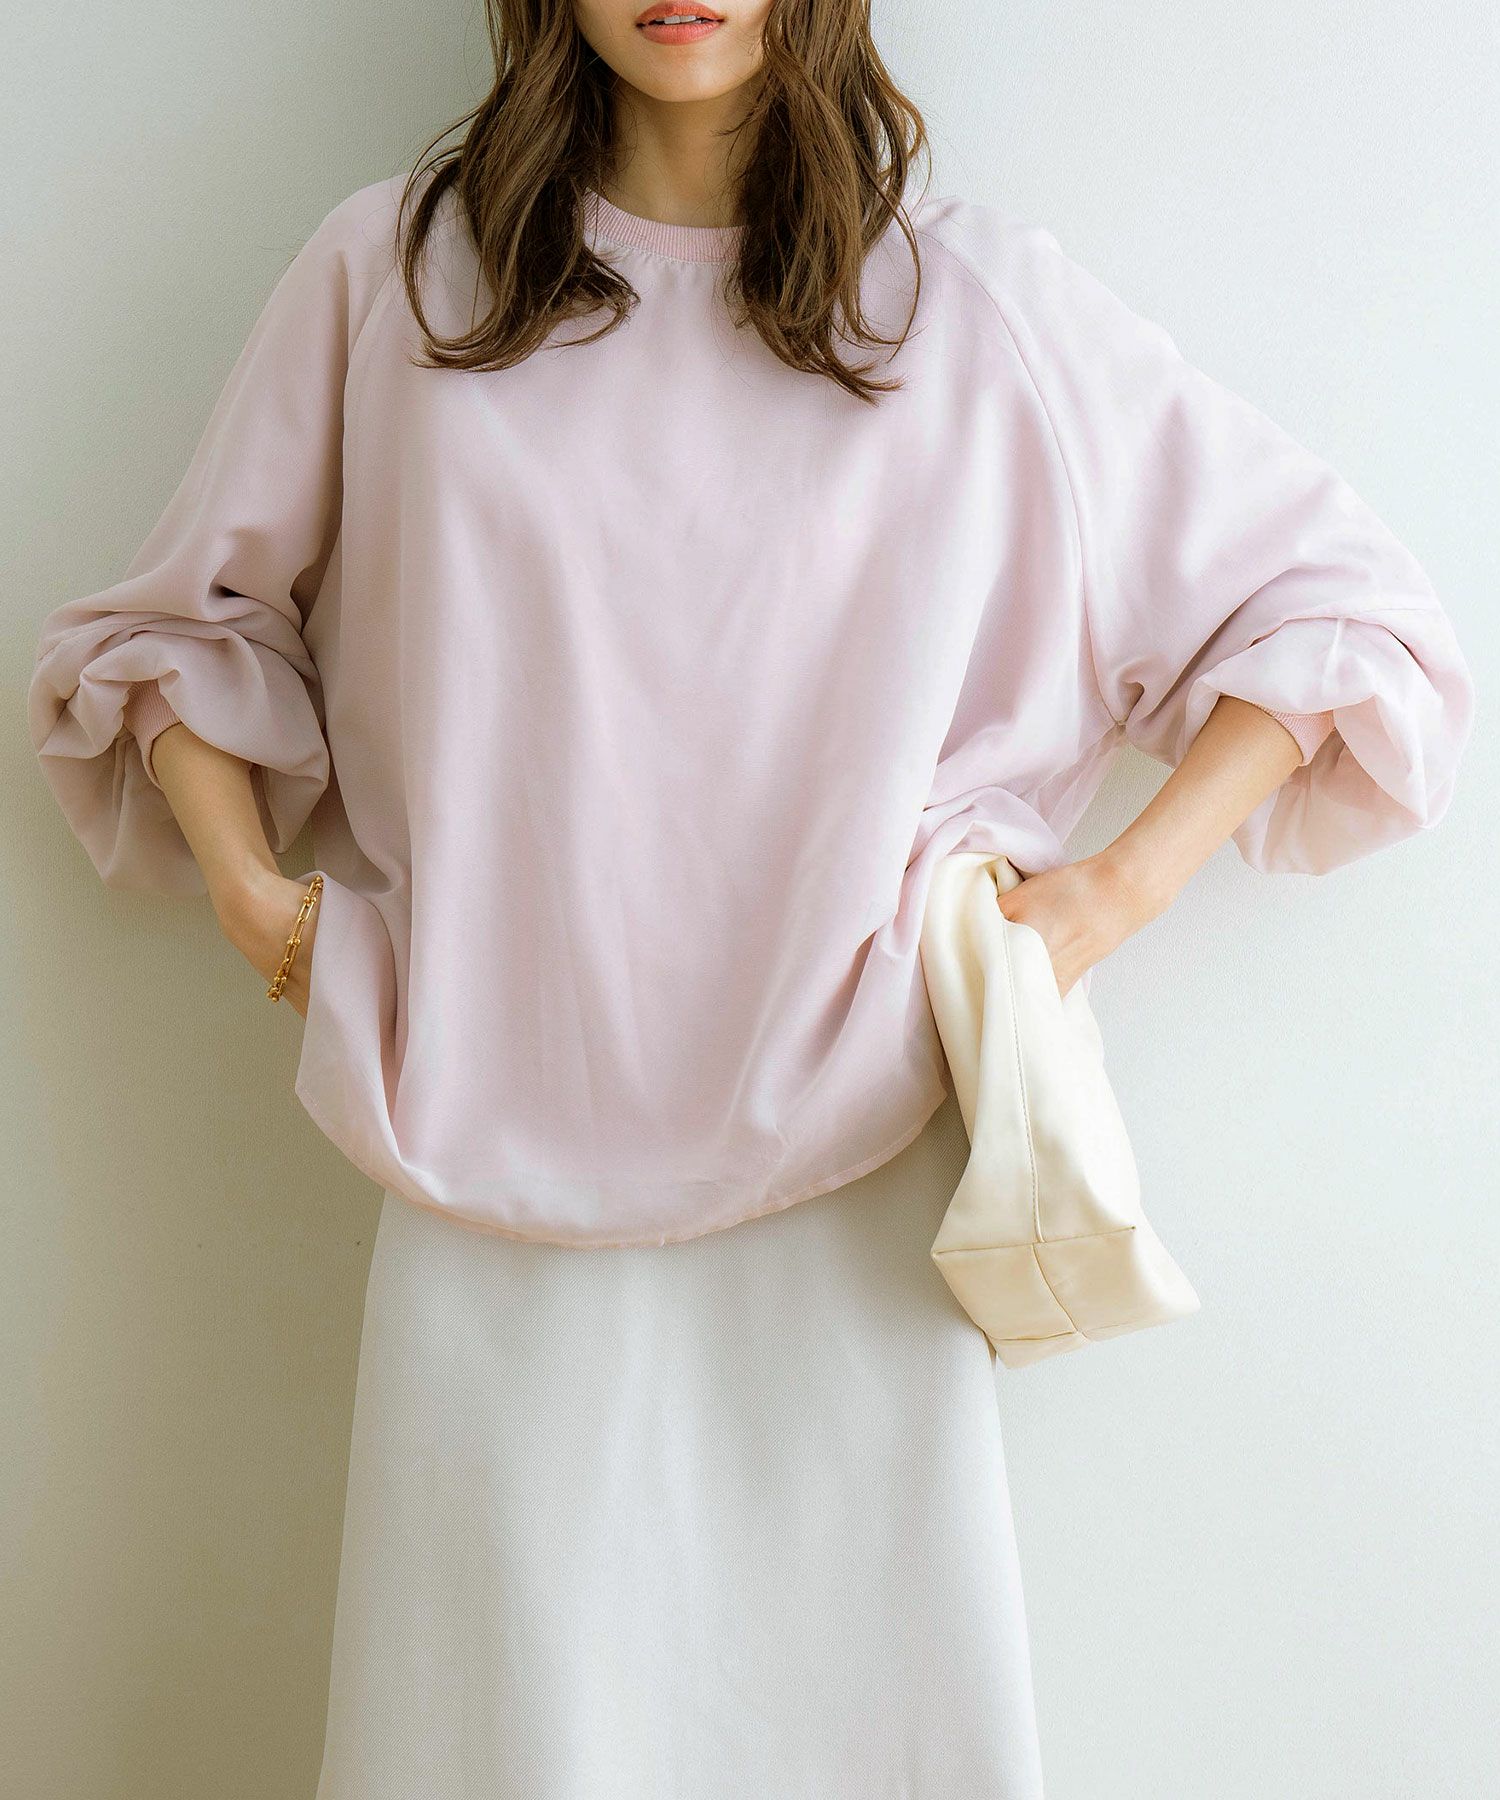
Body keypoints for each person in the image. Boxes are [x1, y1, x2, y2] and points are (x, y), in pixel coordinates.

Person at [26, 2, 1474, 1795]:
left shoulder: (965, 307)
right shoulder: (399, 281)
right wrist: (262, 908)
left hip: (855, 1180)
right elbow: (177, 632)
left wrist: (1112, 894)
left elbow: (1344, 608)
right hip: (479, 1149)